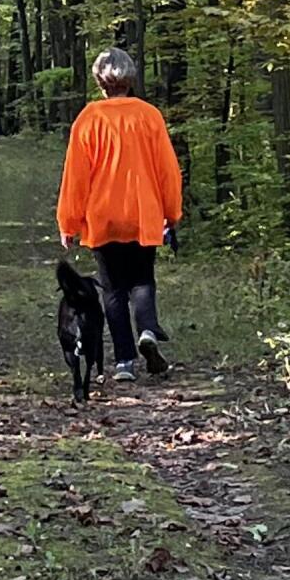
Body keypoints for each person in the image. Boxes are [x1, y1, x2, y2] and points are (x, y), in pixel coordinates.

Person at [56, 47, 183, 382]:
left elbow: (75, 176)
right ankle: (147, 331)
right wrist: (172, 212)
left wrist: (68, 222)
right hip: (144, 212)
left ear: (100, 81)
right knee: (142, 278)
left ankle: (124, 362)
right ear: (131, 79)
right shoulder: (149, 116)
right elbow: (168, 171)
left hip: (103, 215)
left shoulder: (88, 119)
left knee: (112, 289)